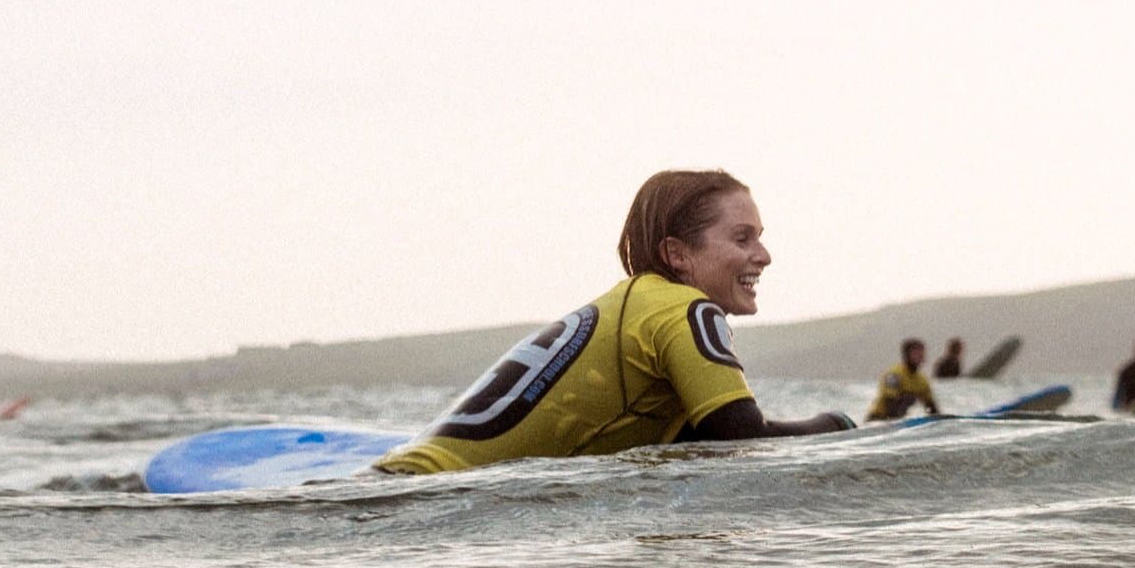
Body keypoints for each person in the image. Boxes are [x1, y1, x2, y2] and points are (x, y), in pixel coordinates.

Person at [372, 170, 853, 475]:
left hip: (397, 483)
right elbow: (743, 446)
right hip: (426, 499)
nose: (764, 256)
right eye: (743, 238)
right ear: (677, 255)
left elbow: (700, 442)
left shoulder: (638, 303)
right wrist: (842, 427)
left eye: (761, 238)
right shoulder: (684, 310)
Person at [864, 338, 942, 422]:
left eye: (922, 352)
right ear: (907, 355)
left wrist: (940, 422)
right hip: (877, 419)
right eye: (916, 352)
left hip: (897, 422)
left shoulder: (922, 380)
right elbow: (889, 402)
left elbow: (931, 407)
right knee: (907, 397)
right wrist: (892, 422)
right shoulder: (894, 374)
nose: (920, 355)